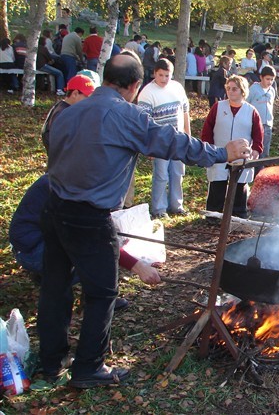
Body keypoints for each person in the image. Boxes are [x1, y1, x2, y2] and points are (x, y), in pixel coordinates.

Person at [38, 53, 252, 389]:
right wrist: (221, 153)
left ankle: (51, 362)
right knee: (102, 293)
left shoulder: (66, 113)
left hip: (53, 209)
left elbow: (55, 153)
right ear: (136, 86)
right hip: (89, 216)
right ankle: (88, 368)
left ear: (104, 77)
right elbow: (172, 142)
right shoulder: (125, 115)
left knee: (55, 287)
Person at [9, 174, 162, 286]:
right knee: (95, 258)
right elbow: (94, 238)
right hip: (31, 250)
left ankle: (51, 277)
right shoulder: (70, 188)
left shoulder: (74, 177)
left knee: (99, 249)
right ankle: (92, 296)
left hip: (43, 239)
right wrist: (139, 267)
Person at [201, 75, 263, 218]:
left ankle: (238, 214)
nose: (230, 91)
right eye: (228, 88)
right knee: (217, 183)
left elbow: (258, 133)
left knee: (239, 186)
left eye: (234, 89)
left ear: (242, 91)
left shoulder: (251, 111)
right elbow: (207, 129)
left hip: (241, 155)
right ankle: (214, 214)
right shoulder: (218, 107)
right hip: (220, 152)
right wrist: (208, 146)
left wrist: (256, 149)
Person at [137, 58, 191, 218]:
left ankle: (176, 205)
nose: (164, 79)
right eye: (160, 75)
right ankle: (159, 209)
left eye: (167, 75)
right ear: (154, 73)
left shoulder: (177, 88)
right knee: (161, 175)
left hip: (178, 139)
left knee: (177, 172)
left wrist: (188, 135)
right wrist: (148, 145)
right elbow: (144, 123)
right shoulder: (147, 92)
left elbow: (185, 112)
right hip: (160, 141)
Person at [41, 74, 97, 153]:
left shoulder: (62, 107)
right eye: (87, 97)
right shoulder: (64, 114)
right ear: (75, 94)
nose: (90, 101)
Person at [247, 65, 277, 172]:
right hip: (254, 125)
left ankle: (260, 173)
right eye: (267, 79)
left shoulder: (272, 91)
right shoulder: (253, 89)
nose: (270, 82)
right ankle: (251, 171)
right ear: (261, 77)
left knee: (264, 151)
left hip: (267, 125)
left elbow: (270, 106)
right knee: (254, 149)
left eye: (272, 79)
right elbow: (246, 104)